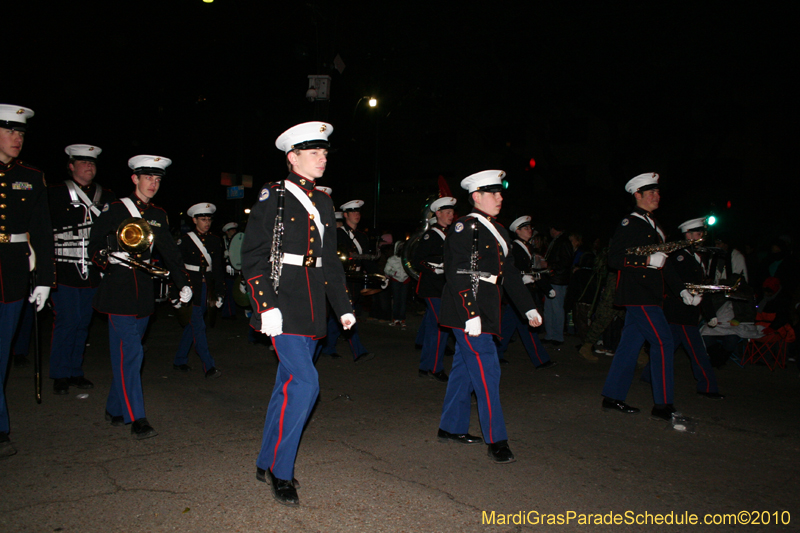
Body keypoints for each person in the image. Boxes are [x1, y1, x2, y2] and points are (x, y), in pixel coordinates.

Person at [241, 121, 354, 506]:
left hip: (311, 307)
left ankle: (263, 459)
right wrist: (265, 304)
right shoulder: (273, 195)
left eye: (324, 152)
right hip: (281, 302)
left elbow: (330, 263)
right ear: (293, 157)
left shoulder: (323, 201)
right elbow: (253, 256)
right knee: (307, 385)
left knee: (286, 387)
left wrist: (343, 307)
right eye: (314, 152)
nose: (323, 157)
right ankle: (281, 470)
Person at [438, 170, 542, 463]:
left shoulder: (498, 230)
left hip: (488, 306)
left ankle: (451, 427)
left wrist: (528, 307)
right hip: (468, 309)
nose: (500, 198)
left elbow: (508, 274)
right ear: (476, 197)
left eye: (500, 193)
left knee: (463, 370)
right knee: (488, 371)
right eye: (493, 193)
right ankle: (497, 438)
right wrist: (470, 313)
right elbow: (457, 272)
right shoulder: (464, 227)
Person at [88, 155, 192, 439]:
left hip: (144, 294)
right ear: (135, 178)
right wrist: (108, 257)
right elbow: (94, 243)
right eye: (148, 178)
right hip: (117, 293)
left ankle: (114, 407)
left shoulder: (158, 214)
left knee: (126, 355)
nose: (153, 184)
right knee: (132, 352)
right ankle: (137, 418)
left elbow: (171, 252)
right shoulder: (117, 207)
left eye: (158, 179)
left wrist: (183, 283)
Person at [601, 172, 684, 421]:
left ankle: (612, 396)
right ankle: (662, 404)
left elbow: (664, 264)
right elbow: (613, 258)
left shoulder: (654, 225)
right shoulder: (631, 223)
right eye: (651, 193)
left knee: (629, 346)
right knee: (664, 342)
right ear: (638, 195)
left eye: (658, 192)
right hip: (638, 294)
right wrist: (647, 260)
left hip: (649, 294)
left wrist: (681, 289)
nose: (656, 196)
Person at [0, 104, 55, 458]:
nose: (17, 138)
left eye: (21, 133)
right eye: (9, 131)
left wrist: (45, 278)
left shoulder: (33, 176)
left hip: (12, 272)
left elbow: (42, 231)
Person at [48, 144, 116, 395]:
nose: (89, 166)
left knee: (83, 322)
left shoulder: (107, 197)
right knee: (67, 320)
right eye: (83, 162)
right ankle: (59, 373)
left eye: (92, 163)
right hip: (64, 268)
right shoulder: (54, 193)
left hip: (94, 272)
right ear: (71, 165)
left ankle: (75, 370)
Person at [643, 218, 723, 399]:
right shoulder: (679, 256)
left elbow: (701, 286)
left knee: (667, 347)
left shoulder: (697, 256)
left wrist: (709, 312)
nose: (701, 237)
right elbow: (673, 281)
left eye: (701, 233)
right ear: (688, 234)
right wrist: (686, 296)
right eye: (697, 233)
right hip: (680, 310)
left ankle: (648, 374)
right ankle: (708, 387)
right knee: (698, 352)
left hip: (684, 311)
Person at [172, 202, 224, 377]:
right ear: (194, 220)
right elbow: (177, 268)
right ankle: (208, 365)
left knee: (192, 325)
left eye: (209, 219)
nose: (207, 222)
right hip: (191, 287)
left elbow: (218, 268)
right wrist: (175, 294)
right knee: (198, 326)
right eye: (203, 219)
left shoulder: (215, 240)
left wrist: (220, 292)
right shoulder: (185, 240)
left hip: (207, 288)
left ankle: (179, 360)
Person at [496, 215, 554, 369]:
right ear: (517, 231)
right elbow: (510, 271)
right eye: (526, 228)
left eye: (530, 228)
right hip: (517, 293)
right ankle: (540, 359)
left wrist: (546, 287)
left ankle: (496, 352)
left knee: (509, 327)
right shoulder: (513, 248)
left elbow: (532, 270)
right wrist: (522, 279)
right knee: (527, 326)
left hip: (524, 293)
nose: (530, 230)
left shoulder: (528, 247)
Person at [320, 199, 373, 362]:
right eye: (353, 212)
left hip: (356, 279)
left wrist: (376, 276)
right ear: (345, 215)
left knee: (339, 316)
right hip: (341, 279)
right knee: (348, 312)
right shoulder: (338, 235)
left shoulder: (362, 236)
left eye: (358, 212)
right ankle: (358, 351)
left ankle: (327, 347)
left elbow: (367, 261)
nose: (357, 215)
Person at [413, 196, 456, 382]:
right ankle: (435, 368)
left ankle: (425, 366)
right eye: (447, 213)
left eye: (452, 213)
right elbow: (416, 260)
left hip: (444, 287)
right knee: (442, 328)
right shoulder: (431, 235)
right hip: (432, 287)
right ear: (438, 214)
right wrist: (435, 267)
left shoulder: (450, 234)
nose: (450, 216)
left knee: (433, 328)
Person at [542, 221, 572, 345]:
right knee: (548, 309)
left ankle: (558, 337)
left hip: (558, 280)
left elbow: (566, 262)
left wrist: (549, 266)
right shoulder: (558, 241)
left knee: (557, 309)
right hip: (552, 279)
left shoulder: (563, 242)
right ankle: (550, 335)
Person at [220, 221, 239, 319]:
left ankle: (233, 311)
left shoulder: (238, 241)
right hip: (227, 271)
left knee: (236, 291)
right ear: (227, 232)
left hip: (237, 270)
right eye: (232, 230)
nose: (234, 231)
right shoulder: (222, 242)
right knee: (228, 292)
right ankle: (228, 313)